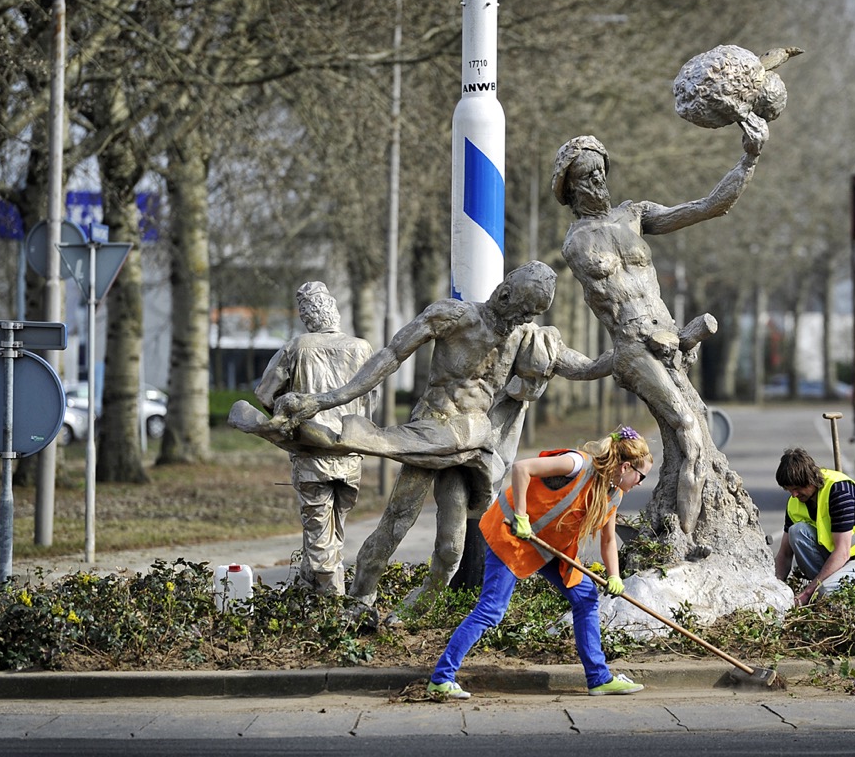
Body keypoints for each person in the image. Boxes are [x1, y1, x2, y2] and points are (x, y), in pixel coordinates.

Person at [229, 261, 610, 609]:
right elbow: (389, 357)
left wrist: (627, 355)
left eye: (532, 315)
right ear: (503, 294)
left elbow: (583, 366)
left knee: (450, 549)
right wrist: (328, 399)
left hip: (469, 449)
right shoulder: (453, 317)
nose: (523, 320)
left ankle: (412, 613)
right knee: (396, 522)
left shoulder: (527, 337)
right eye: (521, 310)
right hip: (429, 431)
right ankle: (360, 600)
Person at [553, 120, 767, 536]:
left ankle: (696, 525)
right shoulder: (576, 242)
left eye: (600, 171)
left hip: (672, 338)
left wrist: (749, 158)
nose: (598, 181)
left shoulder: (635, 214)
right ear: (571, 188)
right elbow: (610, 302)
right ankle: (686, 542)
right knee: (688, 433)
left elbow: (707, 206)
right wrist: (648, 337)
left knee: (697, 423)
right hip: (636, 345)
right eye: (586, 175)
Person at [427, 426, 653, 700]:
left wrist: (615, 576)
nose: (640, 483)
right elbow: (522, 468)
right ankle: (442, 678)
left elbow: (608, 541)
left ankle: (599, 679)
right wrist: (521, 517)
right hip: (511, 533)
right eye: (640, 476)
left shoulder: (613, 494)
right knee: (492, 610)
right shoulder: (577, 464)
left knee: (585, 598)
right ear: (626, 466)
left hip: (547, 548)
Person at [254, 281, 376, 596]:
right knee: (332, 528)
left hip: (312, 455)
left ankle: (333, 605)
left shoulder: (296, 347)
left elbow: (264, 393)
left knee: (320, 528)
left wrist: (285, 412)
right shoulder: (362, 348)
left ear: (307, 316)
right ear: (332, 310)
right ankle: (308, 587)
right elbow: (369, 403)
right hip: (351, 453)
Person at [773, 447, 855, 605]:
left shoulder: (839, 492)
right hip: (843, 563)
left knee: (827, 591)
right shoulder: (795, 502)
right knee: (796, 532)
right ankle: (824, 588)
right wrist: (775, 589)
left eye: (797, 489)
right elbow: (784, 554)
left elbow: (842, 552)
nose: (794, 495)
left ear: (810, 479)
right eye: (789, 490)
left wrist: (807, 593)